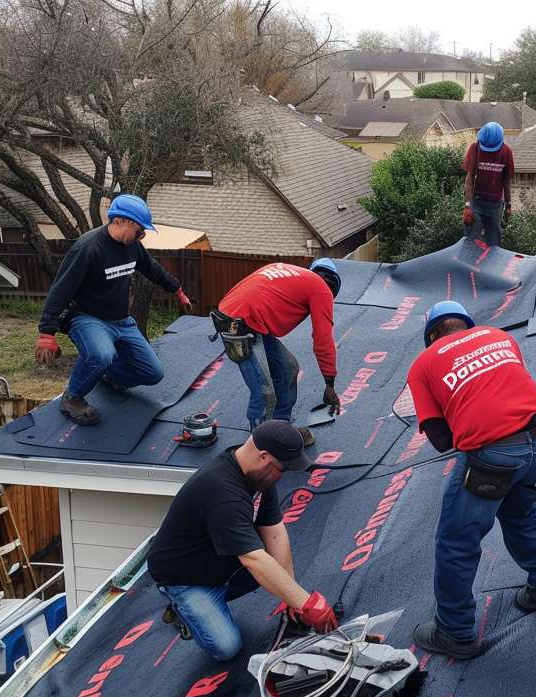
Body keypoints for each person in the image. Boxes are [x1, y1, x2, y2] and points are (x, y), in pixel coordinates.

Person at [406, 301, 536, 659]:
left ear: (431, 335)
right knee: (521, 512)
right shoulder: (498, 336)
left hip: (494, 455)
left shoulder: (422, 364)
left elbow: (442, 440)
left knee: (456, 541)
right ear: (466, 325)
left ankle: (456, 631)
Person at [147, 421, 339, 662]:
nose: (283, 475)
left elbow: (274, 531)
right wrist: (309, 605)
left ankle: (216, 597)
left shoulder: (257, 474)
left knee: (273, 569)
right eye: (282, 468)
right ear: (264, 457)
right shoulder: (221, 492)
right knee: (227, 647)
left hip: (222, 558)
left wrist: (294, 600)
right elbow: (253, 558)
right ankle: (182, 608)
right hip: (186, 578)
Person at [35, 194, 193, 425]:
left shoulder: (132, 247)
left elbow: (152, 269)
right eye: (140, 230)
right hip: (87, 318)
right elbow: (61, 289)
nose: (142, 235)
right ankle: (73, 398)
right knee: (101, 355)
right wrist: (46, 333)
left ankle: (106, 375)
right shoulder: (88, 248)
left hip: (121, 321)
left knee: (152, 373)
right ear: (122, 221)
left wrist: (177, 290)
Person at [215, 259, 343, 444]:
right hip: (242, 326)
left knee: (287, 368)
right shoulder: (321, 289)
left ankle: (280, 427)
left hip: (235, 316)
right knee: (264, 392)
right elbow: (323, 340)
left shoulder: (289, 270)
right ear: (334, 286)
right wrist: (329, 383)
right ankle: (260, 444)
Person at [462, 122, 513, 247]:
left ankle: (491, 265)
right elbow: (469, 179)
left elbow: (506, 182)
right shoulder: (475, 148)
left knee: (494, 240)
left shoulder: (506, 152)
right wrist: (468, 206)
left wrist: (508, 204)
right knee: (471, 238)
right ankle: (468, 263)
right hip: (477, 202)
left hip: (495, 205)